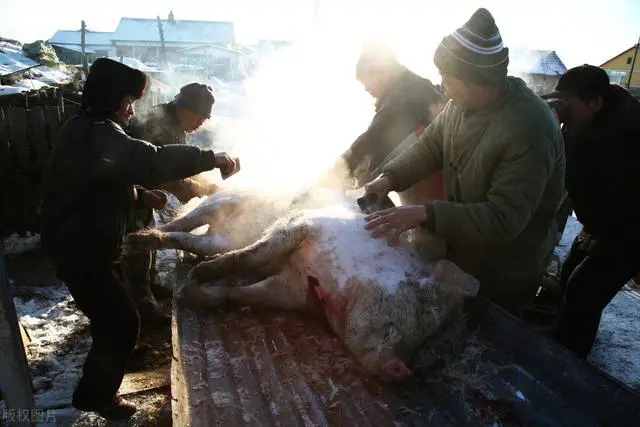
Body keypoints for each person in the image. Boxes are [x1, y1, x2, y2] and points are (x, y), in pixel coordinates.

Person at [40, 58, 238, 420]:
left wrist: (138, 197)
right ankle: (96, 396)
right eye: (129, 103)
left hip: (85, 239)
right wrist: (212, 158)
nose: (132, 111)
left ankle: (98, 384)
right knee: (120, 321)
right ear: (115, 100)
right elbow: (151, 160)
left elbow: (98, 180)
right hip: (80, 244)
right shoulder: (97, 131)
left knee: (112, 316)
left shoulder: (87, 127)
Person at [361, 8, 565, 318]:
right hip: (465, 251)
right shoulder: (460, 104)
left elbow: (502, 219)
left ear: (477, 79)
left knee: (486, 344)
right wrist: (388, 179)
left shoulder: (529, 129)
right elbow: (430, 146)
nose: (443, 86)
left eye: (448, 78)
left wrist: (424, 213)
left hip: (506, 270)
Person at [541, 65, 640, 359]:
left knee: (584, 290)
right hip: (602, 222)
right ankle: (560, 345)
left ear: (595, 103)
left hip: (631, 229)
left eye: (568, 105)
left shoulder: (630, 136)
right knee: (569, 272)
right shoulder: (580, 127)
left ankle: (569, 367)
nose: (563, 112)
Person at [123, 83, 221, 327]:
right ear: (186, 108)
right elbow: (170, 177)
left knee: (145, 231)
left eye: (205, 118)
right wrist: (202, 190)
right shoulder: (162, 125)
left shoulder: (173, 122)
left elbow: (183, 167)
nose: (202, 123)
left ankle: (150, 283)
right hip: (127, 192)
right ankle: (143, 307)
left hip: (141, 191)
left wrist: (208, 183)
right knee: (137, 243)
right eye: (200, 116)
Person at [318, 41, 446, 200]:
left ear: (382, 72)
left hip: (435, 186)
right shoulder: (414, 84)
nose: (369, 92)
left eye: (368, 86)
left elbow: (371, 139)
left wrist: (334, 175)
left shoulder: (401, 98)